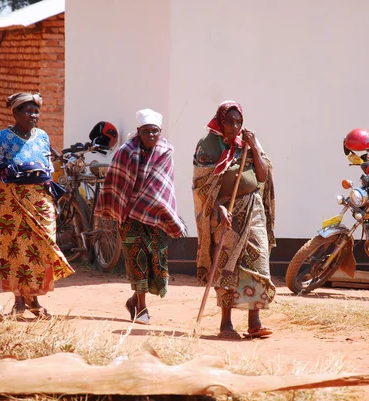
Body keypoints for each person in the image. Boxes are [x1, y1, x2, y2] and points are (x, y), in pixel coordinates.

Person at [0, 92, 74, 319]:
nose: (34, 115)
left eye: (36, 111)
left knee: (41, 248)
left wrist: (53, 199)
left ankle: (35, 299)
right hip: (12, 200)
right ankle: (19, 302)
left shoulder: (42, 136)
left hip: (41, 200)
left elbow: (48, 169)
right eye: (28, 111)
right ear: (15, 113)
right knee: (15, 249)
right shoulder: (2, 138)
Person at [193, 100, 276, 339]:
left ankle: (255, 321)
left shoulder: (248, 143)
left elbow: (262, 175)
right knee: (226, 264)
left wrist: (253, 146)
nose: (234, 126)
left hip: (253, 209)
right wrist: (219, 207)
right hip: (225, 212)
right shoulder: (208, 146)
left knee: (258, 261)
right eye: (229, 122)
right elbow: (202, 187)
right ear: (220, 121)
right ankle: (226, 324)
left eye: (238, 122)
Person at [96, 108, 186, 325]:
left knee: (155, 259)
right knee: (138, 260)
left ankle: (133, 300)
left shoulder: (166, 151)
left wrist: (153, 206)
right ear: (138, 131)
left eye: (155, 131)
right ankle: (141, 308)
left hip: (156, 216)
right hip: (130, 216)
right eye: (146, 131)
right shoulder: (125, 152)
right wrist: (123, 209)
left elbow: (160, 186)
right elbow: (116, 183)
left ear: (160, 131)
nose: (151, 136)